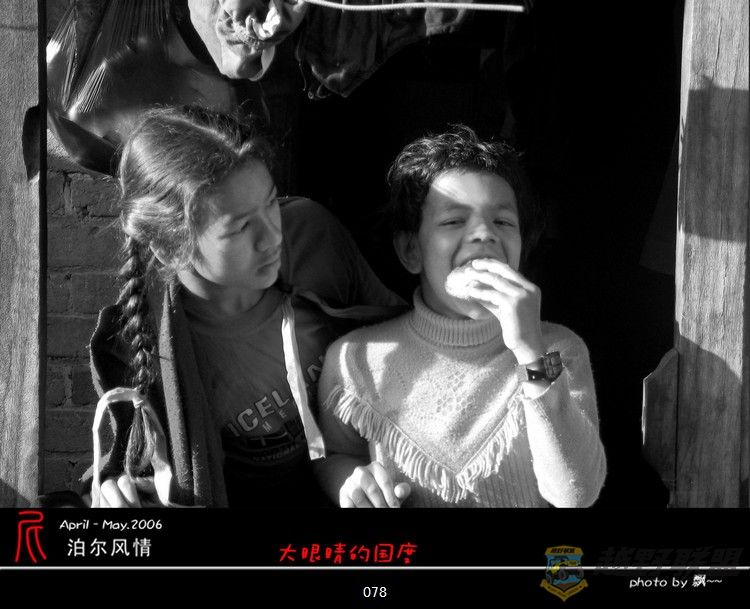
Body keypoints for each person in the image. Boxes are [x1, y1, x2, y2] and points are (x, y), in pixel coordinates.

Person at [89, 105, 405, 508]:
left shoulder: (314, 240)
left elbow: (406, 344)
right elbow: (128, 470)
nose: (272, 237)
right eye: (240, 227)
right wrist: (115, 495)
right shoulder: (144, 347)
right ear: (170, 246)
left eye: (271, 203)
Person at [315, 125, 607, 508]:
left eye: (503, 222)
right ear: (410, 250)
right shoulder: (355, 359)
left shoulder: (556, 350)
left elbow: (575, 494)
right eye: (453, 221)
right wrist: (352, 484)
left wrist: (530, 352)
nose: (484, 233)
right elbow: (336, 455)